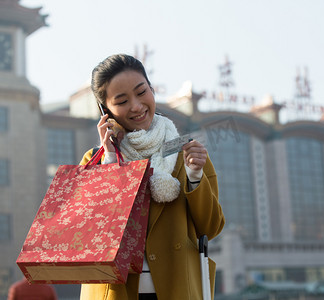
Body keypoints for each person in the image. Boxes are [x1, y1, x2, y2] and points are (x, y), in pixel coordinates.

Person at [79, 54, 225, 300]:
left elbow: (211, 227)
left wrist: (195, 176)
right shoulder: (96, 160)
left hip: (178, 289)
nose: (136, 106)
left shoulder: (186, 151)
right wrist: (111, 160)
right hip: (117, 292)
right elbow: (91, 235)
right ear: (106, 111)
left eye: (141, 92)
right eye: (122, 100)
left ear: (152, 89)